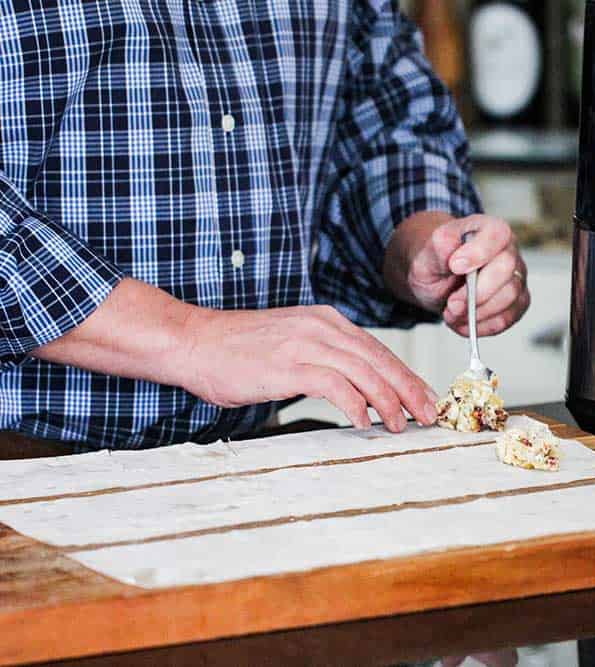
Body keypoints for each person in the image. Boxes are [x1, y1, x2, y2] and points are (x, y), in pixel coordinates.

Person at [0, 0, 529, 449]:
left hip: (261, 456)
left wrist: (417, 241)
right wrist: (189, 339)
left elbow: (384, 114)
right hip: (23, 466)